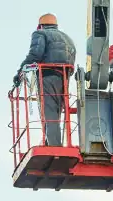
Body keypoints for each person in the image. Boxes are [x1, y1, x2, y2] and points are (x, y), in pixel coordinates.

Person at [14, 13, 77, 147]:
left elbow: (35, 54)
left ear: (41, 25)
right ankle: (52, 142)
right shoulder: (68, 38)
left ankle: (53, 146)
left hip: (47, 76)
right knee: (57, 113)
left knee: (49, 113)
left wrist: (20, 70)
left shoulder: (40, 34)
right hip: (64, 79)